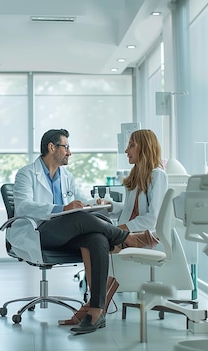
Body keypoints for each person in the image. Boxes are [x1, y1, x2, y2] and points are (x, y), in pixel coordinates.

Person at [11, 128, 144, 335]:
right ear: (52, 147)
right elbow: (23, 206)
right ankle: (125, 238)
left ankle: (96, 311)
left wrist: (95, 203)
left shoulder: (67, 176)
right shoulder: (26, 174)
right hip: (39, 232)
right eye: (66, 147)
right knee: (80, 218)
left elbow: (79, 202)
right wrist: (62, 209)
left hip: (67, 232)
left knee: (97, 238)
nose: (69, 152)